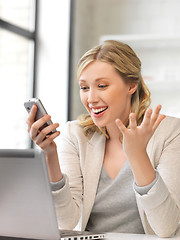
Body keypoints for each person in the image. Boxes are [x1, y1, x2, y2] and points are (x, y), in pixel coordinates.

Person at [26, 40, 180, 238]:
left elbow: (166, 227)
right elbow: (66, 222)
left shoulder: (170, 132)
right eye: (84, 88)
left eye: (102, 85)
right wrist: (50, 155)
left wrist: (137, 154)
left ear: (131, 85)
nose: (91, 98)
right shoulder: (76, 135)